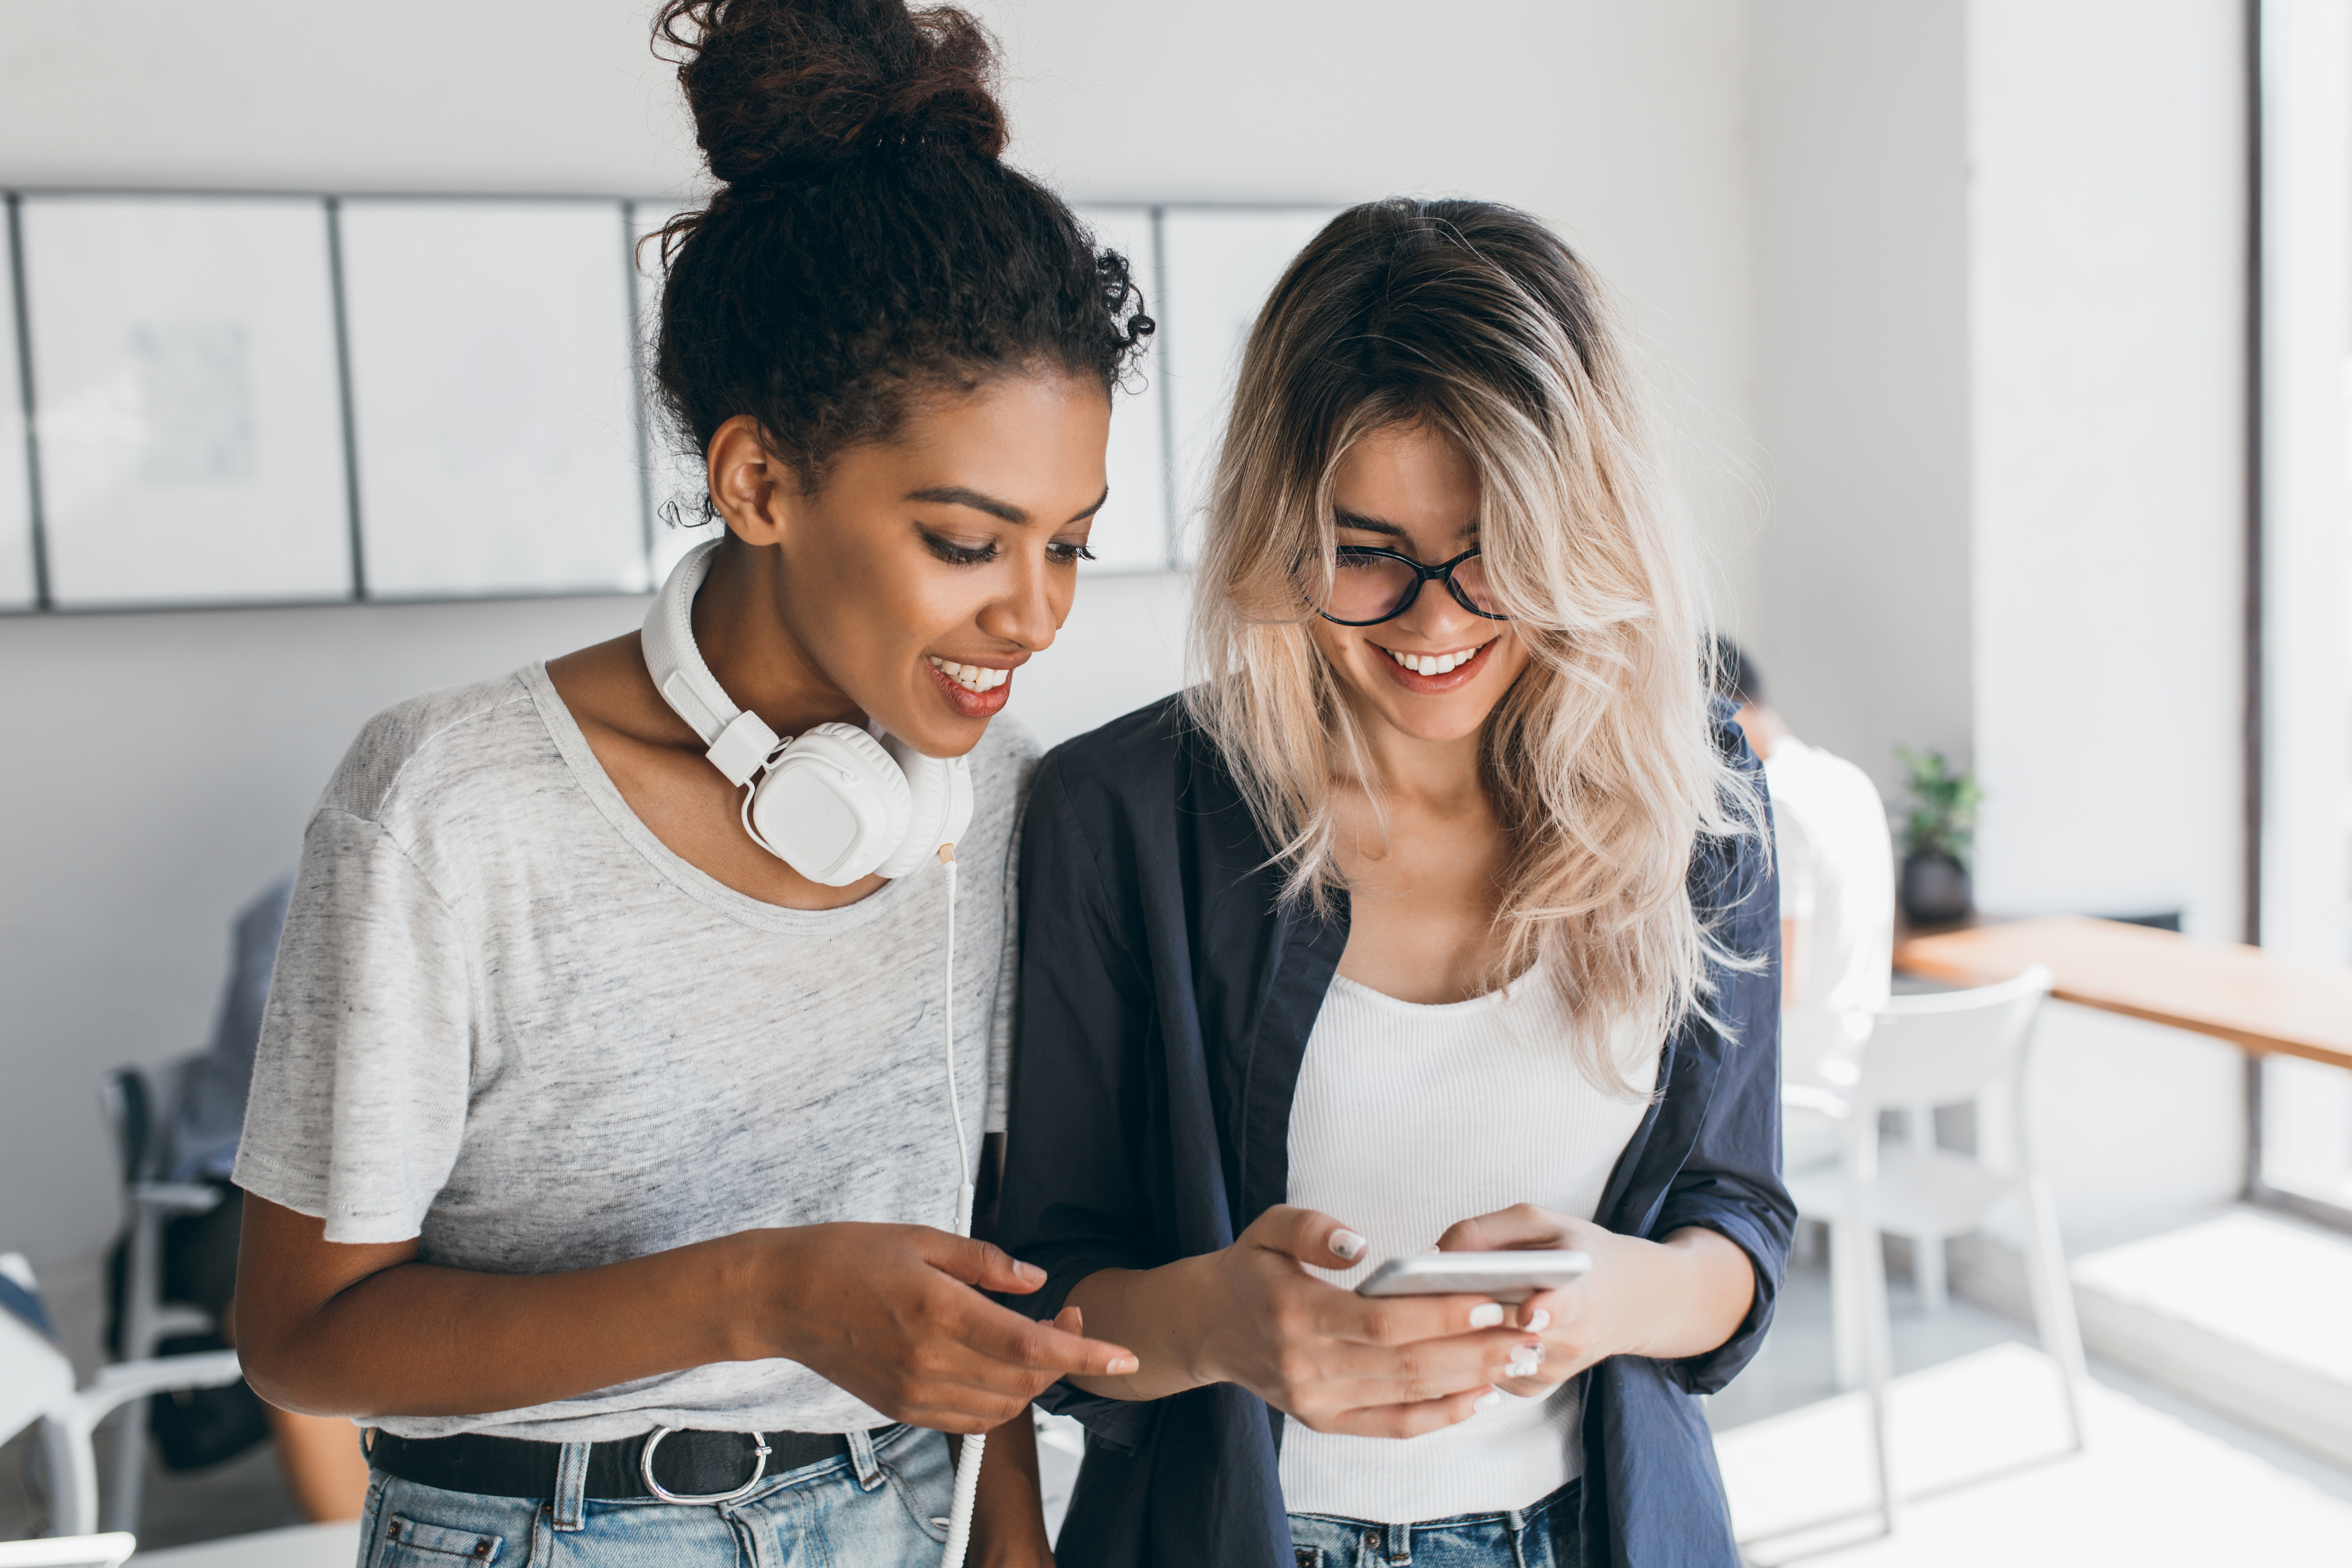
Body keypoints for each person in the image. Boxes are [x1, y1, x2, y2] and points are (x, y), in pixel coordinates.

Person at [229, 2, 1151, 1560]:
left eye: (1066, 542)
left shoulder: (995, 797)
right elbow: (304, 1334)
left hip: (902, 1512)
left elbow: (973, 1268)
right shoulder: (450, 801)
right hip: (552, 1532)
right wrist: (757, 1294)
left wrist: (1010, 1545)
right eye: (963, 541)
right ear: (760, 482)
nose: (1034, 612)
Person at [996, 200, 1793, 1568]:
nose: (1435, 623)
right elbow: (1048, 1309)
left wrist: (1619, 1296)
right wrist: (1221, 1328)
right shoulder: (1117, 818)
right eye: (1367, 552)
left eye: (1495, 551)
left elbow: (1741, 1229)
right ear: (1276, 532)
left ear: (1582, 525)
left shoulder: (1695, 788)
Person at [123, 875, 369, 1520]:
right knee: (321, 1321)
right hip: (233, 1195)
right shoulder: (308, 902)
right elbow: (320, 1085)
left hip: (369, 1189)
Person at [1710, 638, 1894, 1107]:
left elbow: (1780, 987)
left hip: (1798, 1097)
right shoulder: (1848, 780)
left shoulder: (1778, 802)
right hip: (1861, 1075)